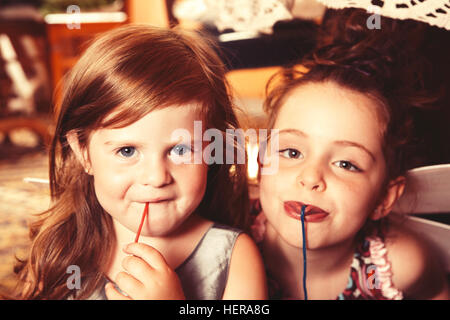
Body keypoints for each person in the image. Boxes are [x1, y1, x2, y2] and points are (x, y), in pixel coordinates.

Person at [14, 24, 267, 300]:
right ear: (83, 152)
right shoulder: (58, 250)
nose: (156, 177)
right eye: (127, 151)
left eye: (181, 150)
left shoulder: (235, 258)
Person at [251, 12, 449, 300]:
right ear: (261, 164)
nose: (310, 178)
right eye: (292, 152)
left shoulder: (402, 266)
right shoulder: (225, 244)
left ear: (384, 198)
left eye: (346, 164)